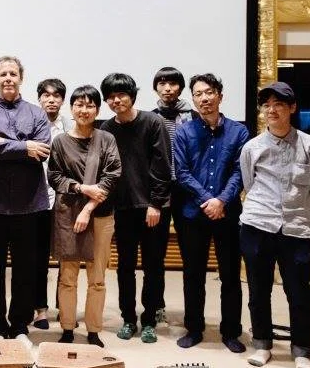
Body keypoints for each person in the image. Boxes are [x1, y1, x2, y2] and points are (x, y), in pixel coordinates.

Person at [240, 81, 310, 368]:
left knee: (299, 292)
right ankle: (262, 344)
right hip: (257, 224)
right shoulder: (252, 147)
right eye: (267, 105)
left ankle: (301, 350)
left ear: (292, 108)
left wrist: (295, 206)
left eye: (278, 104)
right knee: (258, 290)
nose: (271, 110)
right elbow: (249, 184)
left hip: (297, 229)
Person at [0, 56, 51, 343]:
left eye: (13, 73)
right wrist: (24, 146)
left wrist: (0, 142)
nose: (8, 78)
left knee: (25, 270)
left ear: (21, 78)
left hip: (29, 205)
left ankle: (19, 326)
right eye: (3, 74)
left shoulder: (37, 113)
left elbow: (42, 151)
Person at [173, 74, 250, 352]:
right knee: (193, 274)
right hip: (193, 214)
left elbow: (240, 172)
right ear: (193, 99)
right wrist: (208, 200)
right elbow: (182, 172)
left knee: (230, 275)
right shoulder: (184, 132)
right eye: (198, 94)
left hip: (228, 214)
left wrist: (222, 201)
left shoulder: (239, 132)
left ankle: (231, 331)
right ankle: (194, 328)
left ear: (220, 95)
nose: (204, 98)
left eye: (209, 92)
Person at [99, 73, 172, 344]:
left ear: (132, 95)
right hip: (123, 208)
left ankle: (149, 319)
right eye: (110, 97)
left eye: (121, 94)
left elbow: (162, 165)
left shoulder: (153, 122)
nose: (116, 100)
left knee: (153, 266)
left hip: (152, 208)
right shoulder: (107, 128)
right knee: (125, 267)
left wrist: (156, 203)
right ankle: (128, 318)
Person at [47, 85, 121, 348]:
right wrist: (81, 188)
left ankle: (93, 330)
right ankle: (67, 328)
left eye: (90, 105)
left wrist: (88, 207)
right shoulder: (60, 141)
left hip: (100, 216)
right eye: (79, 104)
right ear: (72, 108)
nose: (84, 110)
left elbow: (112, 175)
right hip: (68, 215)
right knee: (67, 277)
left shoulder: (106, 139)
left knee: (97, 278)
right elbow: (54, 176)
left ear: (97, 110)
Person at [151, 66, 193, 324]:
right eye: (162, 83)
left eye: (173, 83)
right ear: (156, 87)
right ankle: (156, 305)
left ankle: (193, 311)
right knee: (156, 251)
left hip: (187, 190)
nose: (167, 88)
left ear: (181, 88)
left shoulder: (194, 118)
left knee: (191, 252)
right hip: (160, 189)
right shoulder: (150, 118)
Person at [33, 78, 68, 330]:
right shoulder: (30, 125)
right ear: (39, 99)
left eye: (56, 95)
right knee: (39, 257)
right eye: (46, 95)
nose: (51, 100)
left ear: (63, 100)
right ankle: (40, 309)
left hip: (65, 199)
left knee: (67, 257)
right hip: (37, 199)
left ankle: (65, 306)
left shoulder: (71, 127)